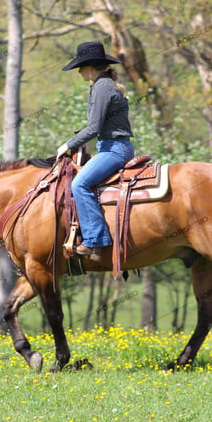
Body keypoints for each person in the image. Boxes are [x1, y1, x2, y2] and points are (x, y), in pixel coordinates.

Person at [56, 41, 135, 259]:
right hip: (115, 146)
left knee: (79, 184)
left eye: (80, 67)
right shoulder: (107, 84)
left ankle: (95, 240)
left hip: (113, 149)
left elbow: (95, 127)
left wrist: (67, 144)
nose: (79, 72)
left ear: (90, 67)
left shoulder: (101, 86)